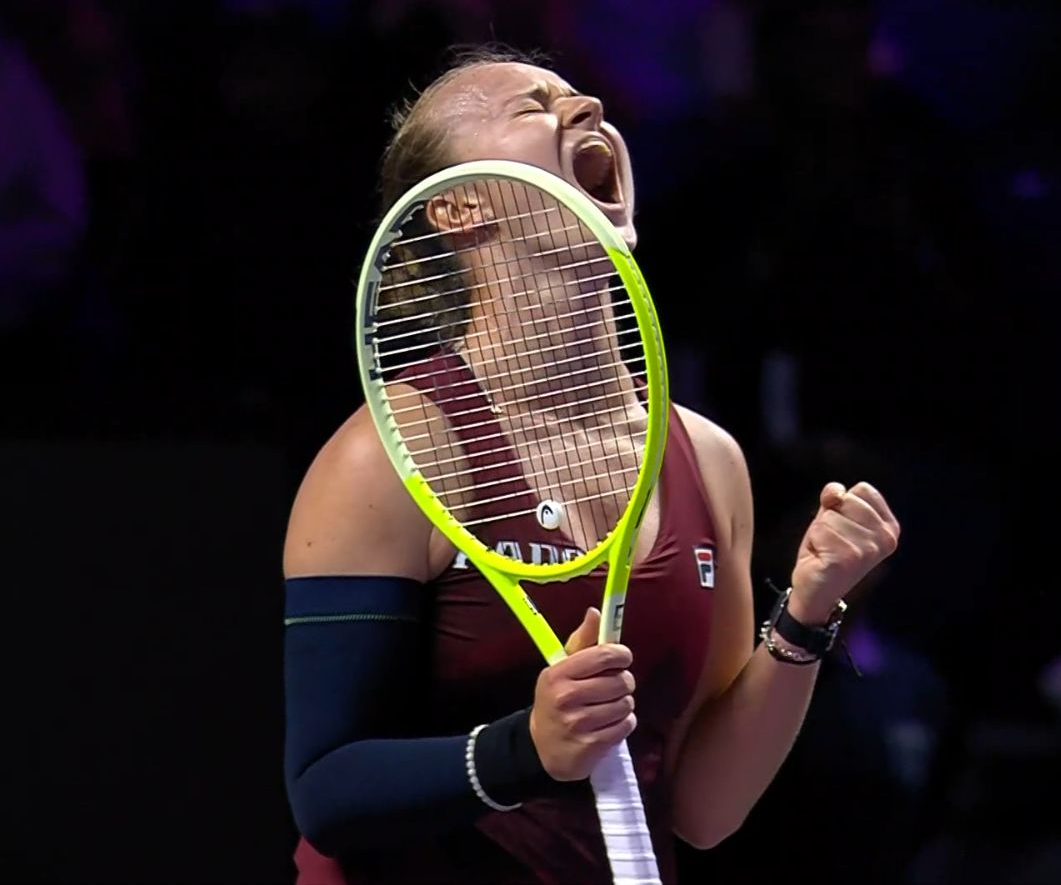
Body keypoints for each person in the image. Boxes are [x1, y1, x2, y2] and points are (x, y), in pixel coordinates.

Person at [281, 48, 900, 883]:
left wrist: (807, 616)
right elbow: (326, 793)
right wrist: (527, 749)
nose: (589, 107)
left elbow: (704, 808)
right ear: (459, 205)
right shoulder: (388, 455)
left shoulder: (708, 460)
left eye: (580, 95)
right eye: (532, 106)